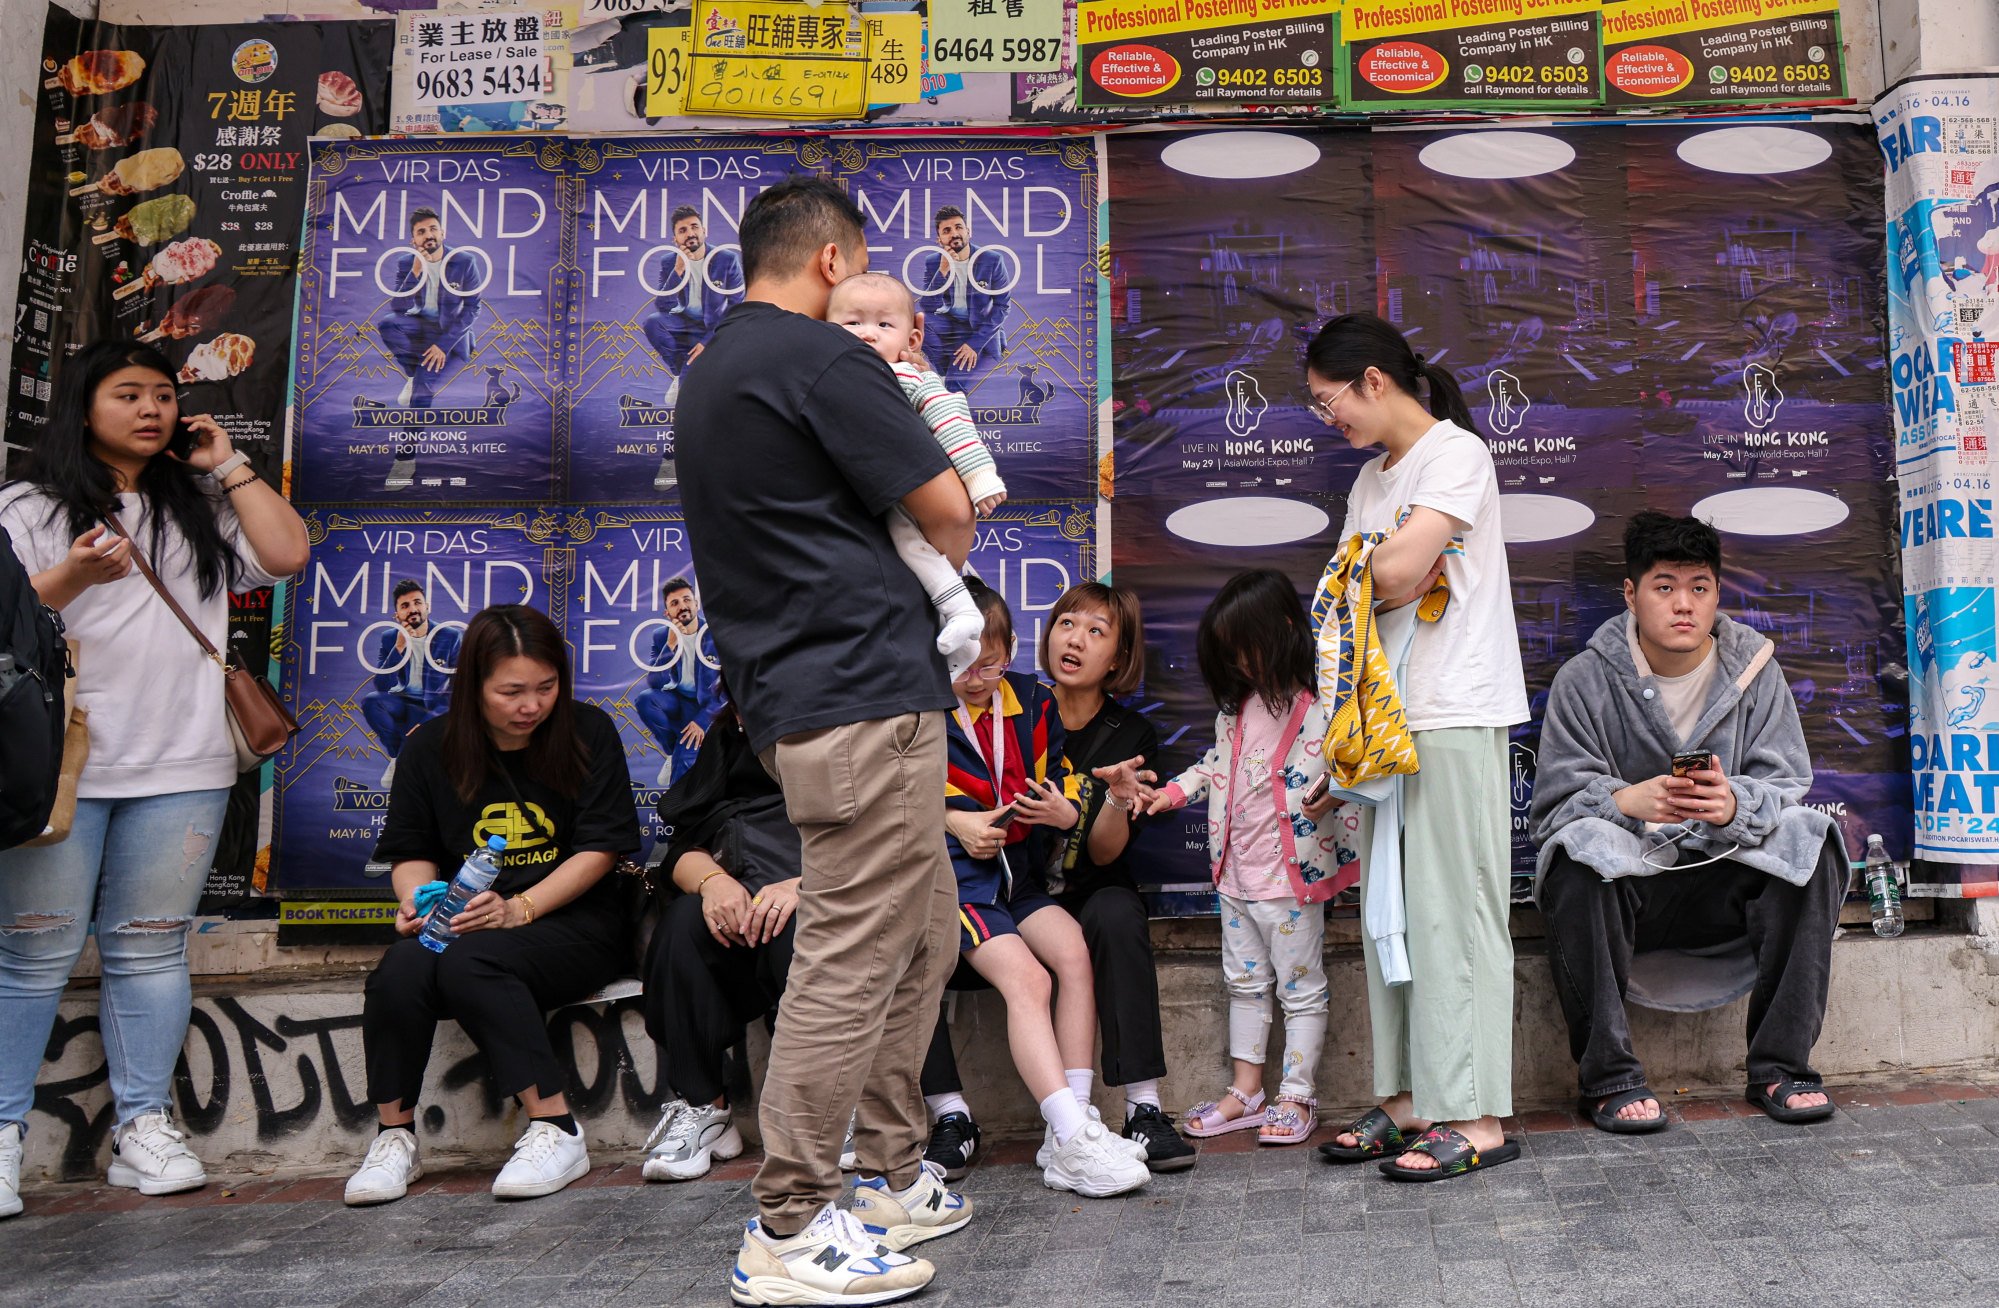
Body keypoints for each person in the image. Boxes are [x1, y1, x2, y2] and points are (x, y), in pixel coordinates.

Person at [675, 175, 975, 1306]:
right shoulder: (822, 359)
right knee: (851, 957)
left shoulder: (711, 373)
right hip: (857, 693)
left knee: (919, 935)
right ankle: (789, 1223)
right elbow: (945, 508)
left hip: (820, 691)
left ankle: (893, 1175)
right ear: (835, 262)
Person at [0, 341, 309, 1215]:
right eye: (127, 394)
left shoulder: (197, 502)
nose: (151, 410)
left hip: (182, 762)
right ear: (81, 405)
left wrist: (231, 464)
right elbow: (8, 622)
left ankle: (144, 1126)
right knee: (35, 950)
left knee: (147, 946)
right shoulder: (25, 507)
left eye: (165, 396)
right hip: (60, 765)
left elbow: (286, 556)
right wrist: (68, 576)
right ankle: (2, 1132)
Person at [1304, 312, 1529, 1182]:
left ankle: (1474, 1117)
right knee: (1390, 919)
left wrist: (1367, 567)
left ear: (1372, 380)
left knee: (1456, 916)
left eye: (1330, 402)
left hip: (1455, 708)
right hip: (1382, 724)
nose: (1331, 421)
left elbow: (1383, 579)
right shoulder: (1373, 480)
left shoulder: (1457, 455)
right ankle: (1408, 1099)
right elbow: (1360, 592)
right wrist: (1375, 565)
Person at [1530, 512, 1845, 1130]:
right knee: (1576, 850)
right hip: (1633, 898)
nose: (1683, 604)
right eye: (1664, 586)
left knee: (1812, 835)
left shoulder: (1757, 671)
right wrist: (1624, 802)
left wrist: (1736, 805)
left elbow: (1786, 781)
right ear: (1630, 593)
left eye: (1699, 587)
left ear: (1717, 595)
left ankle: (1782, 1068)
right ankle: (1609, 1080)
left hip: (1725, 890)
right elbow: (1551, 811)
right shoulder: (1584, 680)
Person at [344, 605, 639, 1206]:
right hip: (467, 917)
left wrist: (520, 907)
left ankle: (556, 1127)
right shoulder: (429, 747)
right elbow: (411, 849)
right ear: (473, 685)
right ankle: (395, 1137)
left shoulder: (588, 732)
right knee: (400, 969)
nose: (531, 705)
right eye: (511, 691)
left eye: (546, 687)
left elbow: (602, 848)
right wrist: (415, 903)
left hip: (577, 921)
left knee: (470, 961)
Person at [915, 582, 1196, 1173]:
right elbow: (887, 793)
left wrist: (1089, 805)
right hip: (961, 885)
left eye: (989, 664)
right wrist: (952, 820)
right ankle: (1061, 1128)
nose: (975, 678)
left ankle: (1084, 1123)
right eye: (1070, 623)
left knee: (1076, 950)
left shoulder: (1031, 704)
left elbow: (1058, 788)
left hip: (1022, 884)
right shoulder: (921, 707)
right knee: (1025, 980)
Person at [1113, 570, 1358, 1148]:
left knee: (1301, 989)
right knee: (1244, 986)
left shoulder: (1321, 709)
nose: (1242, 661)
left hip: (1290, 881)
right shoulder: (1236, 713)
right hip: (1235, 879)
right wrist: (1164, 795)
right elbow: (1209, 767)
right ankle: (1247, 1090)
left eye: (1248, 645)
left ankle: (1297, 1093)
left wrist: (1337, 791)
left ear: (1286, 631)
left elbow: (1355, 773)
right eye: (1231, 652)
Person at [638, 685, 805, 1182]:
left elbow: (890, 841)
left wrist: (804, 886)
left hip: (829, 906)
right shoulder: (728, 746)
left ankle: (823, 1109)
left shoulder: (850, 742)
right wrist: (715, 884)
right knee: (682, 925)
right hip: (741, 911)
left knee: (792, 924)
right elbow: (682, 852)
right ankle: (704, 1107)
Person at [827, 270, 1007, 678]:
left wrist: (979, 476)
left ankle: (961, 612)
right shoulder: (826, 379)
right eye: (851, 323)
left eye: (883, 324)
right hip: (860, 494)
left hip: (902, 488)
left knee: (909, 542)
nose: (867, 334)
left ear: (911, 340)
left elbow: (951, 419)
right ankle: (959, 632)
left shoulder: (907, 376)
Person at [378, 207, 484, 410]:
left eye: (433, 229)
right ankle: (412, 373)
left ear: (442, 233)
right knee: (388, 324)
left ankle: (411, 440)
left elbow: (473, 307)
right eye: (421, 232)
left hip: (449, 331)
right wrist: (416, 272)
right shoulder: (407, 262)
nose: (428, 235)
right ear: (414, 241)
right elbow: (398, 306)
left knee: (423, 385)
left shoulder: (464, 261)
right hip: (420, 326)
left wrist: (442, 345)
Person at [361, 579, 459, 791]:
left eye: (417, 603)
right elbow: (381, 685)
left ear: (427, 607)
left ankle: (403, 766)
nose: (413, 609)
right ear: (396, 614)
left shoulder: (449, 636)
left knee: (415, 721)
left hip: (432, 703)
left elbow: (456, 688)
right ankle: (398, 756)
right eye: (405, 606)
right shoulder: (390, 638)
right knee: (372, 702)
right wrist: (399, 647)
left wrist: (428, 720)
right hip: (401, 699)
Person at [642, 205, 744, 409]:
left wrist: (707, 340)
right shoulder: (669, 261)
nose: (690, 233)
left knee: (691, 380)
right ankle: (679, 373)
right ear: (675, 240)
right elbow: (663, 305)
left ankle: (686, 382)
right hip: (684, 322)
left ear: (704, 231)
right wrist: (678, 270)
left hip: (714, 326)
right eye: (682, 230)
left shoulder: (726, 259)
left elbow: (737, 306)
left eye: (694, 227)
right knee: (653, 323)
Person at [631, 576, 724, 789]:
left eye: (686, 600)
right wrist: (670, 647)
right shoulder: (662, 635)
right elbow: (654, 682)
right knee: (645, 700)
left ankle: (678, 807)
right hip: (676, 700)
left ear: (696, 604)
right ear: (667, 613)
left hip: (705, 705)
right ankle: (673, 752)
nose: (682, 606)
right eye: (675, 603)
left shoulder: (715, 634)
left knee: (686, 754)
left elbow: (728, 688)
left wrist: (702, 721)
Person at [914, 206, 1011, 388]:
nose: (954, 233)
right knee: (919, 321)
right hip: (950, 322)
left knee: (954, 383)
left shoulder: (992, 259)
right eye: (947, 230)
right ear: (939, 239)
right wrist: (942, 271)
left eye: (959, 227)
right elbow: (928, 305)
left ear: (968, 232)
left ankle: (952, 376)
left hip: (979, 326)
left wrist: (974, 344)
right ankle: (945, 369)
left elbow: (1002, 306)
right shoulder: (934, 261)